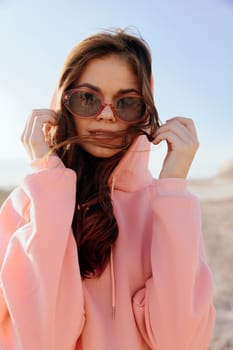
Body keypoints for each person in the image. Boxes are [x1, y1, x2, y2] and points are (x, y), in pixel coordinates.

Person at [0, 28, 215, 350]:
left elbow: (178, 341)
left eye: (127, 102)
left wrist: (173, 186)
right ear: (62, 103)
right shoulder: (29, 203)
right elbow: (45, 339)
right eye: (87, 98)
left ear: (145, 110)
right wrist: (48, 182)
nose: (106, 115)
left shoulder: (169, 207)